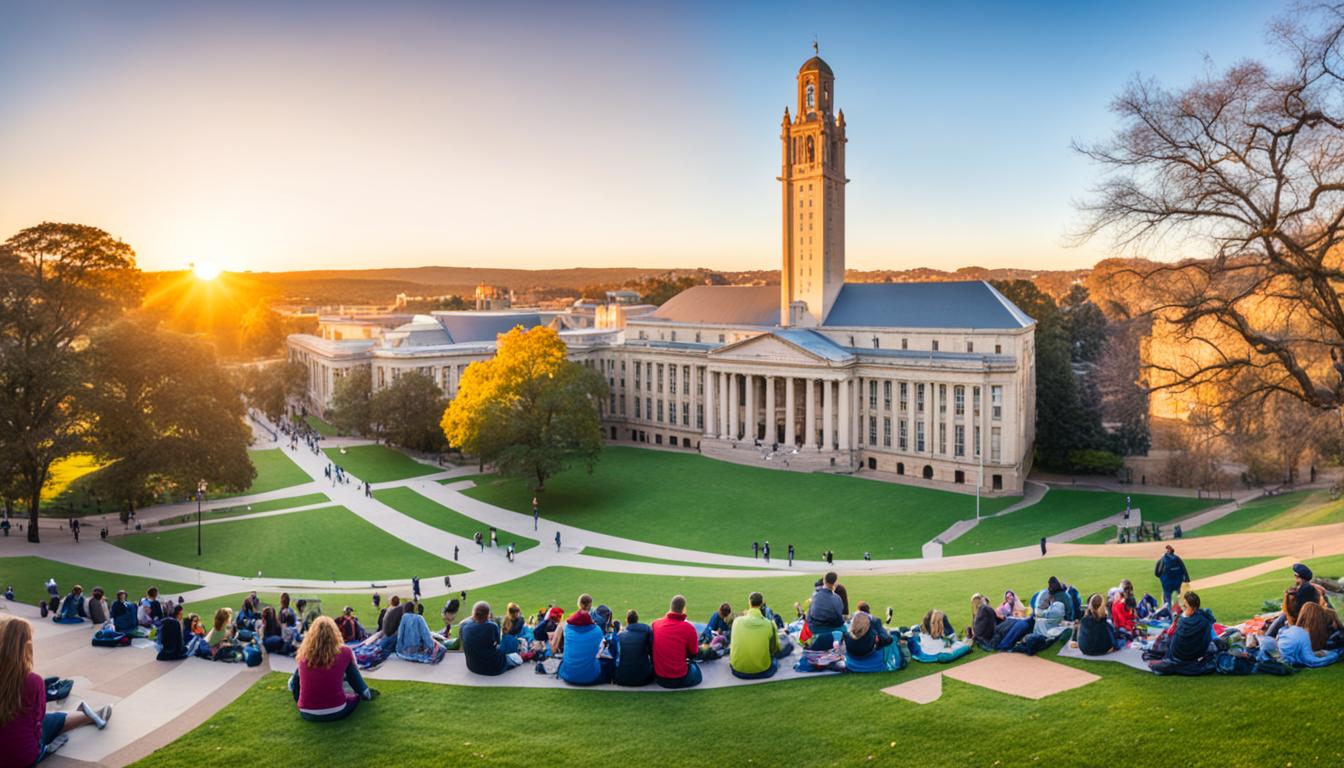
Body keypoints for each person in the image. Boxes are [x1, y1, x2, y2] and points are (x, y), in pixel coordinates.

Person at [0, 617, 113, 764]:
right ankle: (87, 716)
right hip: (23, 758)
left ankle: (83, 715)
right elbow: (37, 724)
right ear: (26, 647)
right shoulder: (32, 681)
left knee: (42, 718)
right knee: (48, 720)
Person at [289, 616, 377, 721]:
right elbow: (356, 682)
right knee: (352, 693)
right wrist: (366, 694)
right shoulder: (344, 652)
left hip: (307, 711)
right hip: (336, 710)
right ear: (334, 633)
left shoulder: (304, 654)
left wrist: (300, 702)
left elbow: (295, 684)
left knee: (294, 680)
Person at [555, 594, 609, 686]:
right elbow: (601, 651)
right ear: (590, 605)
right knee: (607, 663)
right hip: (589, 676)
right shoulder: (597, 631)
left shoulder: (567, 628)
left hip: (569, 675)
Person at [652, 595, 701, 688]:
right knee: (696, 668)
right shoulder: (689, 628)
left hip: (659, 677)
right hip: (679, 677)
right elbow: (694, 654)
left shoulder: (656, 624)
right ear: (684, 609)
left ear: (670, 608)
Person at [729, 592, 782, 679]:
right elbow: (774, 649)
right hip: (762, 671)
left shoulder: (737, 621)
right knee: (784, 650)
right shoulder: (769, 624)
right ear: (761, 604)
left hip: (737, 670)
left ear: (749, 603)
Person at [462, 601, 520, 675]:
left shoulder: (465, 626)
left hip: (472, 666)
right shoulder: (492, 626)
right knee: (516, 657)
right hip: (492, 667)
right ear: (488, 615)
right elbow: (498, 644)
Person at [1165, 592, 1215, 663]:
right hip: (1192, 656)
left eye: (1185, 607)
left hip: (1179, 655)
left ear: (1193, 608)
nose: (1184, 609)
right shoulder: (1204, 621)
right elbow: (1206, 642)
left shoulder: (1183, 620)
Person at [613, 610, 654, 687]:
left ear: (627, 620)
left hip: (621, 678)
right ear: (637, 619)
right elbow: (652, 651)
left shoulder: (621, 636)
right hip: (641, 679)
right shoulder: (646, 630)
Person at [805, 573, 846, 650]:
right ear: (835, 583)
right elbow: (839, 620)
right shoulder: (837, 599)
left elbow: (809, 615)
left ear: (824, 581)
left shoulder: (815, 595)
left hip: (813, 628)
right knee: (845, 628)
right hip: (826, 629)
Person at [1154, 545, 1190, 609]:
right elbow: (1184, 569)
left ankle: (1169, 613)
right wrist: (1187, 579)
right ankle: (1183, 611)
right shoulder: (1177, 558)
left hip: (1167, 584)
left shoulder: (1162, 559)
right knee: (1181, 599)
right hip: (1178, 583)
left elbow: (1157, 573)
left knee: (1167, 601)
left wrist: (1161, 577)